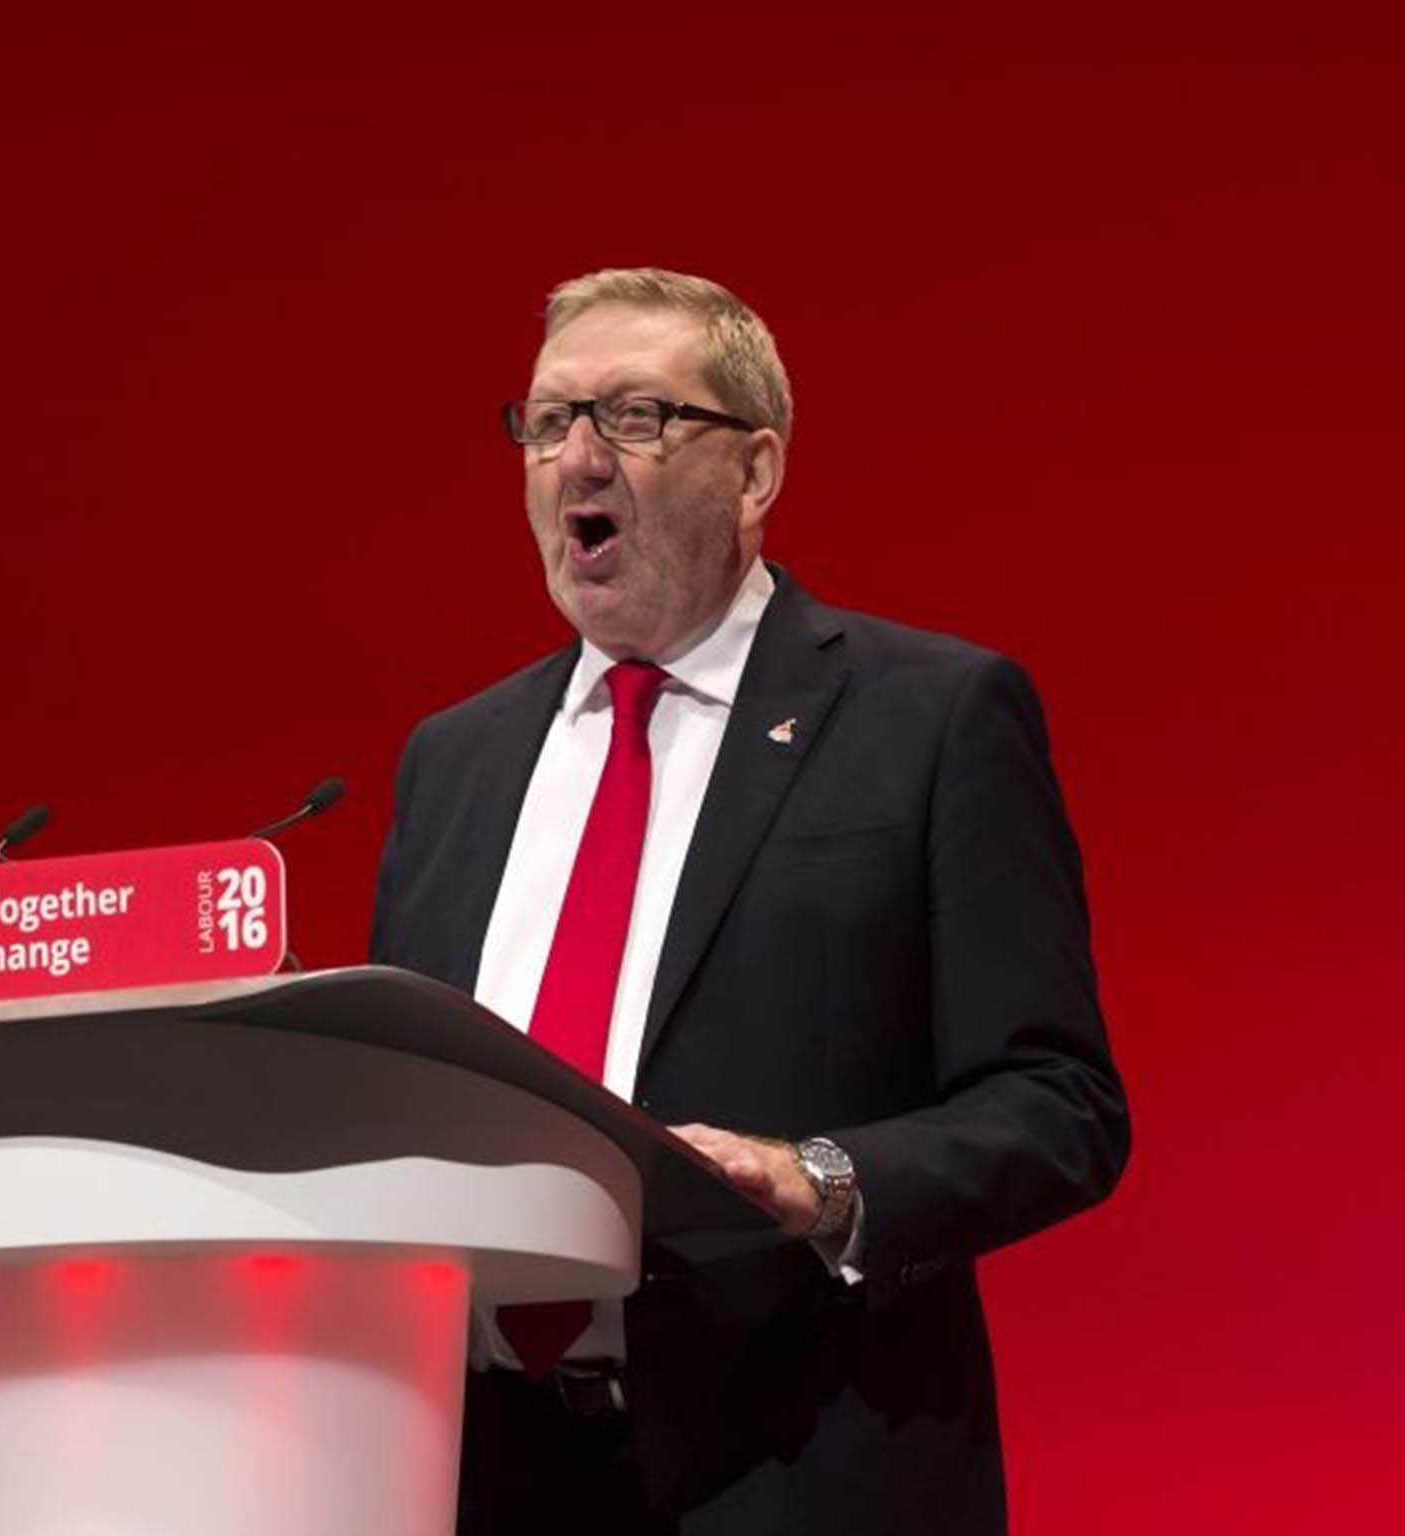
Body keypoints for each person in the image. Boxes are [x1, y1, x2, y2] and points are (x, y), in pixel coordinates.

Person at [368, 268, 1129, 1534]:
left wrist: (814, 1178)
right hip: (484, 1469)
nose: (577, 458)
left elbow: (1057, 1107)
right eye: (548, 422)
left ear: (756, 470)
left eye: (634, 418)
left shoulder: (926, 718)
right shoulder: (451, 760)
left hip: (793, 1463)